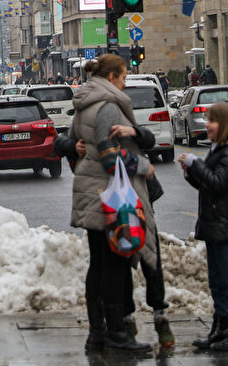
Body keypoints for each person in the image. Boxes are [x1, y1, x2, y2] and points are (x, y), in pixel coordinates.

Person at [65, 56, 161, 353]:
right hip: (110, 198)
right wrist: (143, 166)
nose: (125, 82)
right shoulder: (107, 106)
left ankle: (97, 333)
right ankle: (116, 333)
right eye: (123, 77)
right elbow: (110, 157)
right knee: (114, 266)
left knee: (98, 265)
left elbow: (71, 142)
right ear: (111, 77)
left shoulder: (85, 103)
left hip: (91, 193)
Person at [179, 102, 228, 352]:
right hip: (216, 225)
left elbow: (219, 184)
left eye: (212, 121)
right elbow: (208, 186)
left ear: (226, 125)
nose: (206, 125)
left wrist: (195, 163)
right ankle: (220, 328)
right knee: (218, 281)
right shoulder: (220, 150)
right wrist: (192, 174)